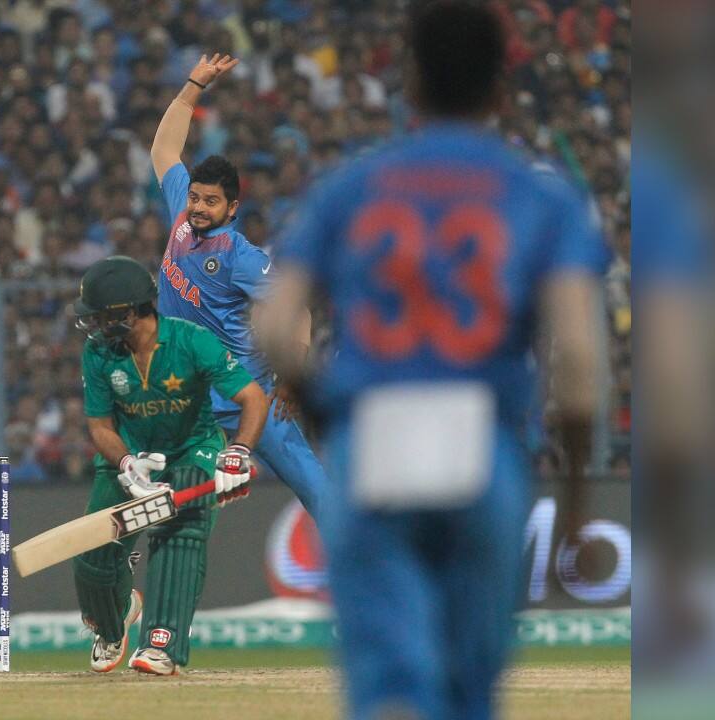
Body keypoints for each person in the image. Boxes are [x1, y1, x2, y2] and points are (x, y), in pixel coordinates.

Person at [255, 2, 607, 718]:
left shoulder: (350, 188)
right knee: (468, 690)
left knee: (391, 685)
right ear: (500, 90)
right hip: (483, 446)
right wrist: (573, 509)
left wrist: (324, 406)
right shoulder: (542, 196)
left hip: (374, 437)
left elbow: (271, 325)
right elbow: (577, 362)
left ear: (409, 84)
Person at [149, 52, 330, 523]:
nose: (198, 207)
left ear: (232, 208)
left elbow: (300, 308)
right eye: (195, 197)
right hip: (185, 396)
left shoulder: (238, 255)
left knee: (321, 497)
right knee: (161, 502)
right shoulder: (181, 218)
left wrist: (294, 374)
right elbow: (164, 152)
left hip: (245, 396)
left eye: (211, 201)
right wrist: (193, 85)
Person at [71, 255, 268, 676]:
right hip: (129, 458)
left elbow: (252, 397)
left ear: (129, 311)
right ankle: (113, 619)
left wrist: (238, 451)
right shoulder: (99, 353)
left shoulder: (191, 341)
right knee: (93, 553)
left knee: (180, 534)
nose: (95, 326)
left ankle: (161, 643)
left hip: (190, 451)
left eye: (102, 316)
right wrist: (127, 463)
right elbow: (100, 426)